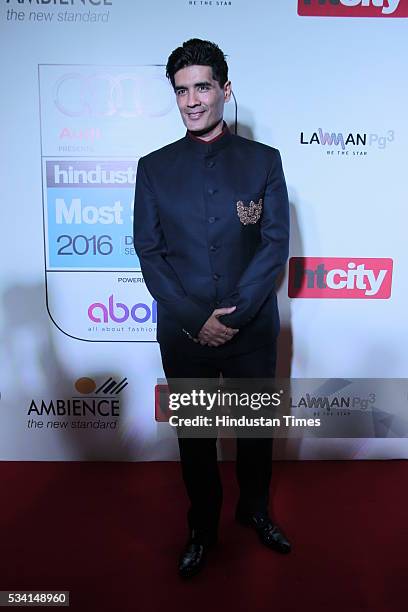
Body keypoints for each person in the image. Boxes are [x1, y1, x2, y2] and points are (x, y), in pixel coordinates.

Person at [133, 38, 291, 579]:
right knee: (196, 439)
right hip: (184, 331)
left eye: (202, 86)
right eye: (181, 90)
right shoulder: (153, 168)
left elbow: (273, 244)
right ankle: (201, 528)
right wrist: (194, 318)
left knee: (254, 431)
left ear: (225, 89)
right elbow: (149, 252)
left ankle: (256, 510)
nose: (191, 100)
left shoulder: (264, 162)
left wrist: (235, 314)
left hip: (250, 330)